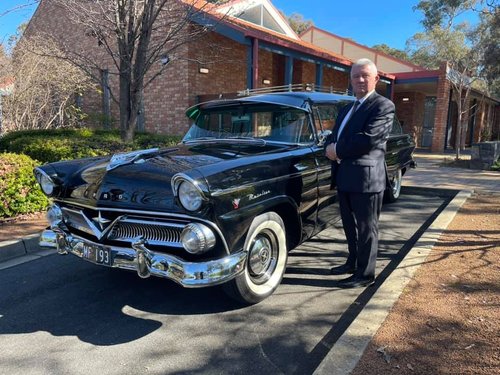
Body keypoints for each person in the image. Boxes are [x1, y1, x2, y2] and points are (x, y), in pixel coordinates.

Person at [325, 58, 394, 288]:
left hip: (367, 180)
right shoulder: (347, 109)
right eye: (356, 76)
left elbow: (369, 139)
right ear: (351, 80)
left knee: (366, 229)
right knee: (350, 226)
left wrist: (336, 150)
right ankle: (352, 262)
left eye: (365, 75)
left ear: (376, 79)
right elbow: (336, 135)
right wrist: (328, 145)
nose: (360, 80)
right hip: (345, 176)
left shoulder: (383, 106)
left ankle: (365, 275)